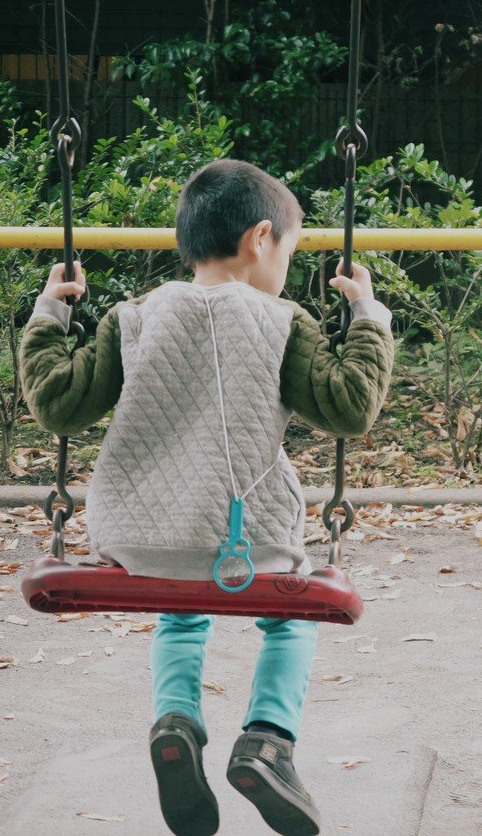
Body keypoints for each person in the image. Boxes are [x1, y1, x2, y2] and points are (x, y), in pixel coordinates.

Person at [20, 159, 395, 836]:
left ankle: (177, 721)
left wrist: (52, 311)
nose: (287, 264)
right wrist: (366, 315)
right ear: (260, 239)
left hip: (137, 541)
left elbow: (58, 405)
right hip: (248, 542)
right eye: (290, 248)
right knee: (292, 616)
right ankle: (269, 740)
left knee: (179, 608)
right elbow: (350, 409)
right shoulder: (283, 321)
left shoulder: (130, 318)